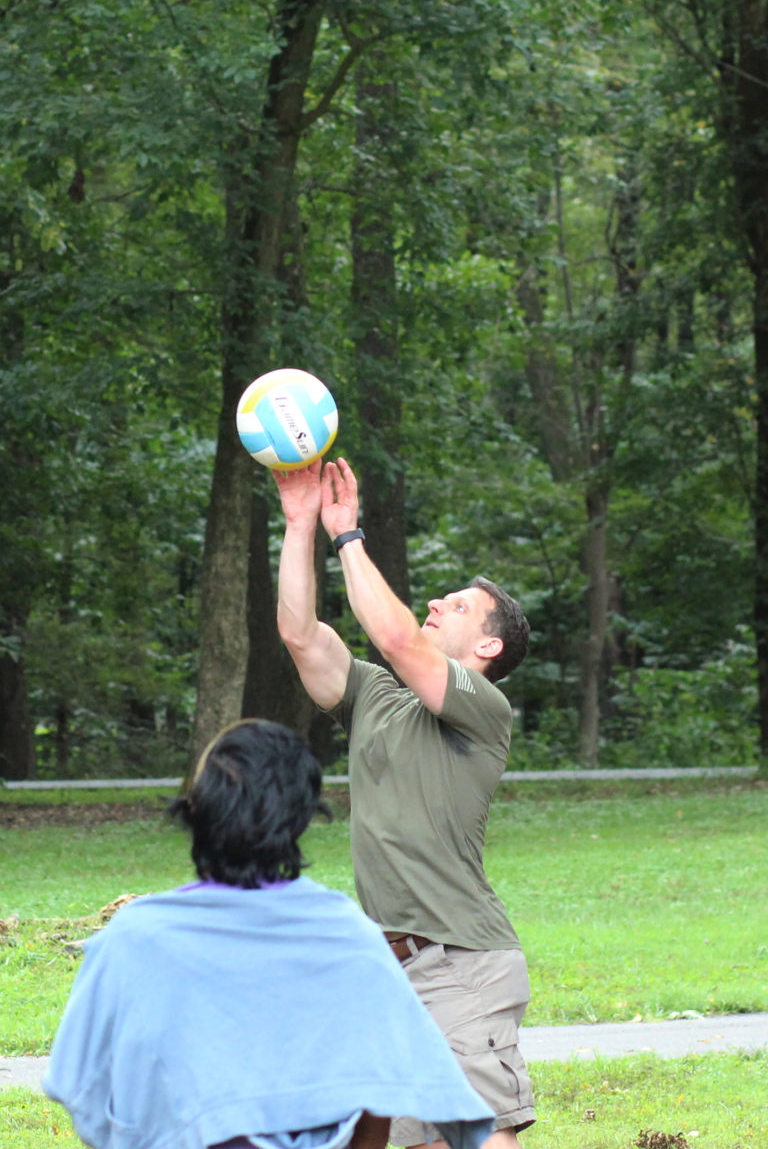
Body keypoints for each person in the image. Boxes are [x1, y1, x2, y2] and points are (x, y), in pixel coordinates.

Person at [43, 719, 496, 1149]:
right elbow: (381, 1087)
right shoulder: (347, 935)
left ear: (196, 810)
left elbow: (81, 1087)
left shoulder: (134, 939)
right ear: (303, 816)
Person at [274, 457, 536, 1149]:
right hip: (389, 966)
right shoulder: (375, 697)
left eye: (454, 606)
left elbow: (394, 637)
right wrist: (301, 524)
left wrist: (348, 535)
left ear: (487, 643)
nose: (434, 607)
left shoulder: (485, 709)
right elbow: (302, 635)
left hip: (460, 959)